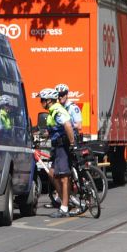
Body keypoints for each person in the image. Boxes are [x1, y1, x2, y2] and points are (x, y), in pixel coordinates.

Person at [39, 88, 76, 218]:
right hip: (56, 147)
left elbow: (67, 125)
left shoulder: (58, 110)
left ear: (49, 100)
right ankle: (65, 201)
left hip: (62, 146)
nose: (40, 102)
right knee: (52, 174)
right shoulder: (51, 112)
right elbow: (54, 129)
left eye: (42, 100)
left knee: (64, 177)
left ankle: (65, 208)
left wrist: (72, 143)